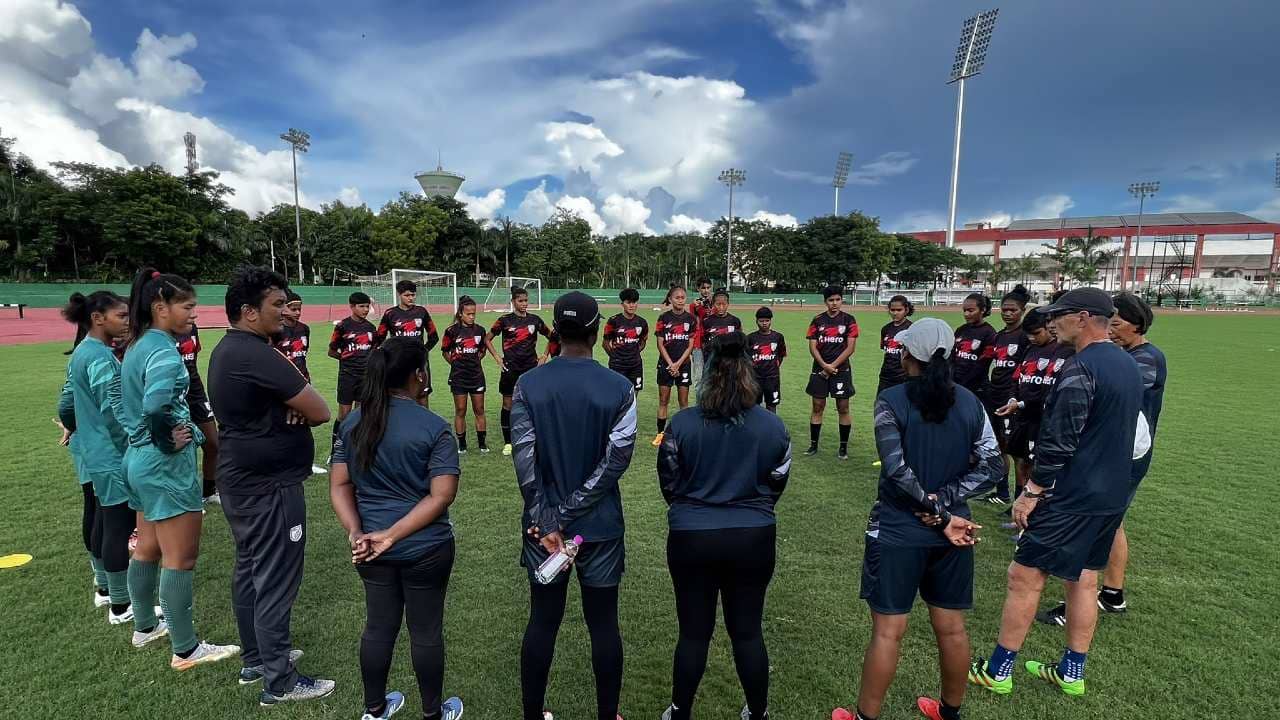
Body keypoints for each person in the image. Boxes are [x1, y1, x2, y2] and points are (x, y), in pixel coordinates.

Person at [969, 288, 1146, 699]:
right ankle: (1071, 672)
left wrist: (1031, 491)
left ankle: (998, 670)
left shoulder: (1080, 368)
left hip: (1070, 495)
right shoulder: (1126, 363)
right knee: (1083, 578)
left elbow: (1060, 441)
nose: (1052, 323)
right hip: (1110, 494)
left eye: (1059, 316)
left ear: (1083, 317)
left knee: (1024, 576)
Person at [834, 317, 1003, 720]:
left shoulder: (890, 400)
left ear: (908, 353)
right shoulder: (970, 401)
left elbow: (896, 469)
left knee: (888, 632)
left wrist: (937, 508)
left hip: (900, 529)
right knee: (952, 629)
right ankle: (950, 713)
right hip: (954, 531)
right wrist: (947, 507)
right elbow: (993, 465)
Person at [208, 266, 334, 704]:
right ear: (248, 312)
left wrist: (290, 403)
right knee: (275, 576)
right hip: (268, 485)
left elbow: (302, 405)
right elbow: (319, 410)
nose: (286, 312)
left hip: (242, 478)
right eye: (277, 305)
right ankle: (279, 681)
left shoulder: (230, 349)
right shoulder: (254, 353)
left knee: (250, 569)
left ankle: (257, 658)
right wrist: (296, 404)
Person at [511, 291, 637, 720]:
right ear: (597, 331)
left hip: (541, 530)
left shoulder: (529, 383)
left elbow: (524, 459)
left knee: (542, 621)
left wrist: (548, 518)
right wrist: (565, 515)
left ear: (556, 332)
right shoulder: (619, 387)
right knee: (603, 624)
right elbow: (617, 461)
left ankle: (532, 715)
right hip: (598, 528)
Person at [656, 331, 791, 720]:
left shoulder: (681, 425)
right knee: (747, 631)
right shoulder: (772, 426)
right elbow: (776, 482)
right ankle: (758, 712)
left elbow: (670, 483)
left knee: (694, 633)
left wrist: (695, 509)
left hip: (692, 537)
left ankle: (680, 711)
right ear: (749, 371)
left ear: (706, 371)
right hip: (753, 537)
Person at [329, 338, 464, 720]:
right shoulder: (434, 427)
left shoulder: (353, 421)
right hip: (424, 547)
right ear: (418, 375)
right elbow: (441, 497)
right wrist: (390, 535)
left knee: (378, 627)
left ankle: (374, 709)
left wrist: (357, 532)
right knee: (425, 631)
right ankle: (433, 714)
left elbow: (339, 485)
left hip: (370, 548)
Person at [120, 268, 238, 669]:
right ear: (160, 307)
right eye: (187, 306)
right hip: (164, 466)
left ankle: (144, 626)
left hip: (137, 463)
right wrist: (164, 438)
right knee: (180, 557)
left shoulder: (137, 344)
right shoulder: (165, 351)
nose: (194, 314)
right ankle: (185, 649)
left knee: (149, 546)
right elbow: (154, 406)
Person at [1038, 292, 1167, 625]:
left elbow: (1105, 392)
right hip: (1116, 451)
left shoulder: (1144, 358)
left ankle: (1085, 600)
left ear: (1136, 324)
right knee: (1113, 521)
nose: (1110, 329)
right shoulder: (1125, 356)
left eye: (1117, 323)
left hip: (1123, 453)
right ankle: (1112, 594)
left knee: (1097, 525)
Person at [58, 291, 141, 626]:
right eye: (121, 316)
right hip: (109, 453)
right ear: (97, 318)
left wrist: (75, 425)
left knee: (99, 517)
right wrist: (136, 443)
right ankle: (121, 606)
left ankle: (104, 586)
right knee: (117, 524)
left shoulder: (84, 351)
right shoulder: (100, 358)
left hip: (92, 451)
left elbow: (66, 402)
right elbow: (114, 411)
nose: (127, 322)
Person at [993, 308, 1073, 510]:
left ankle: (1034, 510)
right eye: (1028, 334)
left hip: (1039, 417)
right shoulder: (1030, 350)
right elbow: (1017, 378)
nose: (1032, 338)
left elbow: (1047, 389)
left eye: (1036, 333)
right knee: (1021, 460)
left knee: (1036, 463)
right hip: (1023, 416)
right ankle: (1017, 505)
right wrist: (1013, 398)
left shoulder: (1062, 351)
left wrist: (1021, 403)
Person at [980, 285, 1032, 506]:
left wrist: (1016, 396)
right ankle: (1001, 493)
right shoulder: (1000, 336)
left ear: (1022, 310)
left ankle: (1019, 501)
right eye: (1004, 309)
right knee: (999, 446)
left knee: (1018, 454)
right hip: (995, 395)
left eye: (1013, 310)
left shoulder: (1025, 337)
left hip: (1014, 399)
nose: (1008, 313)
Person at [485, 287, 552, 457]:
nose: (524, 304)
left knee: (532, 403)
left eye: (526, 301)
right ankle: (508, 442)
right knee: (508, 404)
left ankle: (533, 438)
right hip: (510, 368)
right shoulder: (504, 321)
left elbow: (553, 336)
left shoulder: (535, 320)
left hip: (530, 369)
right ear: (513, 302)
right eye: (520, 301)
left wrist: (544, 355)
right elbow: (487, 339)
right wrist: (497, 358)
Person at [276, 291, 328, 477]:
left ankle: (306, 463)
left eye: (299, 309)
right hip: (281, 385)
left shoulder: (304, 329)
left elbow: (302, 355)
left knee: (303, 423)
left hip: (303, 381)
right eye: (293, 309)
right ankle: (282, 463)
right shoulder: (275, 331)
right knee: (282, 423)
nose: (297, 312)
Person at [805, 285, 859, 459]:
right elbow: (812, 347)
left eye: (837, 299)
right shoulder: (817, 320)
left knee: (843, 408)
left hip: (841, 370)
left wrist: (832, 366)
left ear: (841, 300)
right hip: (819, 369)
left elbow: (850, 348)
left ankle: (843, 448)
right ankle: (813, 446)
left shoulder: (849, 320)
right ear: (825, 301)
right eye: (831, 300)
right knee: (817, 406)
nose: (834, 303)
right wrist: (824, 366)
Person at [173, 322, 219, 505]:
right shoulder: (157, 332)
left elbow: (192, 359)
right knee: (182, 447)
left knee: (213, 443)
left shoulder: (191, 327)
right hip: (172, 391)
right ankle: (185, 498)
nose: (193, 313)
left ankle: (209, 492)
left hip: (195, 390)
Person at [374, 279, 441, 404]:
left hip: (419, 363)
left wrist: (422, 352)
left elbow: (433, 336)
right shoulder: (390, 314)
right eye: (407, 295)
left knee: (422, 396)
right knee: (397, 396)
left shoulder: (421, 312)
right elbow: (379, 338)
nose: (410, 298)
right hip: (397, 362)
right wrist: (388, 354)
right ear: (399, 295)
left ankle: (421, 423)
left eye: (413, 295)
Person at [441, 296, 492, 454]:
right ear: (460, 314)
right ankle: (462, 444)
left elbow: (482, 351)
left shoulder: (480, 330)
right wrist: (456, 364)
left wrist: (475, 361)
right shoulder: (451, 331)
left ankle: (482, 444)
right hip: (458, 377)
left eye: (474, 314)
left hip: (476, 376)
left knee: (479, 409)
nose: (472, 316)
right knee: (460, 410)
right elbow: (445, 351)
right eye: (468, 314)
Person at [329, 292, 376, 457]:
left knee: (361, 413)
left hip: (365, 377)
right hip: (347, 376)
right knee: (344, 414)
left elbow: (374, 351)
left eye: (367, 306)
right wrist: (347, 360)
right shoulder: (342, 326)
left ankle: (357, 447)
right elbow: (332, 351)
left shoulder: (371, 328)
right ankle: (336, 449)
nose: (365, 309)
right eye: (361, 306)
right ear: (352, 306)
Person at [652, 286, 697, 448]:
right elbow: (660, 343)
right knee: (663, 400)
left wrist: (678, 364)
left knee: (683, 401)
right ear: (670, 299)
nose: (680, 300)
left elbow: (691, 344)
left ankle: (683, 433)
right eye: (676, 297)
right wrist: (671, 364)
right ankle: (660, 434)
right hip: (665, 364)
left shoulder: (691, 319)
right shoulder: (663, 318)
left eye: (682, 297)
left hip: (683, 365)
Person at [949, 293, 997, 400]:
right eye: (964, 310)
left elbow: (983, 364)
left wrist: (963, 383)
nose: (966, 314)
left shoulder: (989, 333)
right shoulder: (961, 330)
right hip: (955, 384)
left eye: (971, 311)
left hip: (976, 388)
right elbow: (952, 357)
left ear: (983, 310)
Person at [602, 288, 649, 393]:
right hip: (617, 365)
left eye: (634, 302)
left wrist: (634, 353)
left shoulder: (642, 322)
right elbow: (605, 343)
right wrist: (615, 356)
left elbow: (643, 342)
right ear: (622, 304)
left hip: (635, 365)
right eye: (628, 302)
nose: (632, 305)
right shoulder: (613, 321)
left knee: (634, 396)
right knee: (616, 395)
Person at [746, 307, 787, 411]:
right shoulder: (750, 338)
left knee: (772, 406)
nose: (764, 323)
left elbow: (781, 355)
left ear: (771, 321)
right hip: (755, 378)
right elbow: (745, 357)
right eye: (761, 321)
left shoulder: (778, 337)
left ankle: (772, 426)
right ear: (756, 321)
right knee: (754, 406)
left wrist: (774, 367)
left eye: (767, 321)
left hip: (772, 378)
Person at [876, 295, 915, 396]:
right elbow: (885, 350)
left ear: (906, 310)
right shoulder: (885, 329)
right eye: (892, 310)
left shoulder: (912, 329)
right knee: (882, 405)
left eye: (899, 310)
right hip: (886, 376)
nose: (895, 313)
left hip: (904, 377)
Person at [698, 290, 743, 362]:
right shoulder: (706, 321)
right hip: (712, 361)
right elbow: (702, 342)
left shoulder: (735, 321)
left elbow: (740, 341)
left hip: (730, 361)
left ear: (728, 304)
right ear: (713, 304)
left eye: (724, 304)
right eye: (718, 304)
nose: (721, 307)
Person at [689, 278, 714, 395]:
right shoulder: (694, 305)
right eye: (703, 288)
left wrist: (711, 305)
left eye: (708, 288)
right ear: (698, 289)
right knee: (699, 376)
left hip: (713, 343)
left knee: (714, 375)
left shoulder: (716, 303)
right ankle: (700, 404)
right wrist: (698, 306)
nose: (706, 290)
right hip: (698, 343)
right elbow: (694, 322)